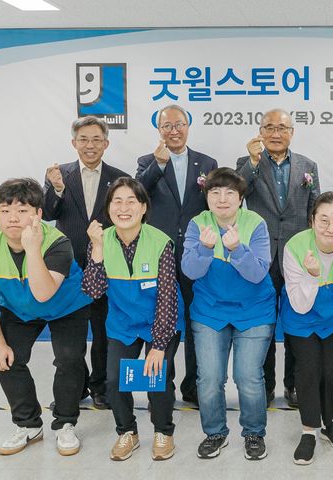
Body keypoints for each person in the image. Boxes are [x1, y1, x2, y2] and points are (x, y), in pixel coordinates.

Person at [0, 178, 92, 456]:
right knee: (7, 359)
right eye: (5, 210)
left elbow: (43, 293)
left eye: (22, 210)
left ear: (39, 214)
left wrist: (33, 248)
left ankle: (65, 424)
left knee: (68, 359)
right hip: (20, 309)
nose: (13, 217)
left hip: (66, 307)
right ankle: (28, 425)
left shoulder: (58, 244)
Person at [81, 177, 183, 461]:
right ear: (108, 208)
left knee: (157, 378)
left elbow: (166, 298)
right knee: (113, 381)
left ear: (143, 208)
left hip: (160, 321)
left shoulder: (160, 242)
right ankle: (127, 432)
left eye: (131, 202)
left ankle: (164, 431)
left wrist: (159, 346)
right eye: (117, 201)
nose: (123, 208)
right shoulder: (99, 241)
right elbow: (93, 290)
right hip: (123, 322)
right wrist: (98, 250)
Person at [182, 167, 276, 461]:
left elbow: (258, 274)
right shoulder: (198, 224)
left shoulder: (256, 223)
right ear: (207, 197)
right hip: (210, 311)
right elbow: (190, 270)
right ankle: (215, 433)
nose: (222, 199)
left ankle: (253, 434)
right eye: (215, 192)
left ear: (240, 197)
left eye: (229, 193)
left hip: (254, 311)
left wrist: (236, 249)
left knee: (248, 376)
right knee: (209, 378)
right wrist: (206, 248)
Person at [43, 116, 130, 409]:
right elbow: (47, 213)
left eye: (96, 140)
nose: (90, 145)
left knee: (104, 331)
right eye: (84, 139)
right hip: (67, 267)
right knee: (72, 332)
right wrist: (55, 189)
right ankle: (74, 388)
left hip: (106, 265)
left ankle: (101, 388)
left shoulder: (120, 178)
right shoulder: (59, 175)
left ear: (106, 143)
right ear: (73, 143)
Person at [237, 108, 320, 408]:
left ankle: (294, 385)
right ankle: (267, 385)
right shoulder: (247, 164)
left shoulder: (307, 165)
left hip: (297, 255)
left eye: (281, 128)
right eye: (268, 127)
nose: (275, 133)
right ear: (260, 131)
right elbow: (238, 192)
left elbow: (315, 212)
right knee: (264, 326)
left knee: (298, 323)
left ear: (292, 132)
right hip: (261, 257)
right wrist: (253, 161)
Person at [136, 104, 218, 405]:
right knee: (164, 321)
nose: (174, 130)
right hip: (161, 253)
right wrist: (157, 166)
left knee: (197, 321)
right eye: (167, 125)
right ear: (159, 130)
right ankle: (163, 389)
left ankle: (194, 387)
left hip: (197, 254)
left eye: (179, 124)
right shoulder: (147, 161)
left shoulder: (206, 162)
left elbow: (216, 205)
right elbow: (137, 196)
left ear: (188, 126)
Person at [279, 192, 333, 465]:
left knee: (330, 370)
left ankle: (328, 422)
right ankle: (308, 430)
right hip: (301, 317)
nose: (331, 228)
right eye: (324, 220)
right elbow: (300, 304)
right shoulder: (295, 247)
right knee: (308, 368)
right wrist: (311, 275)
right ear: (312, 221)